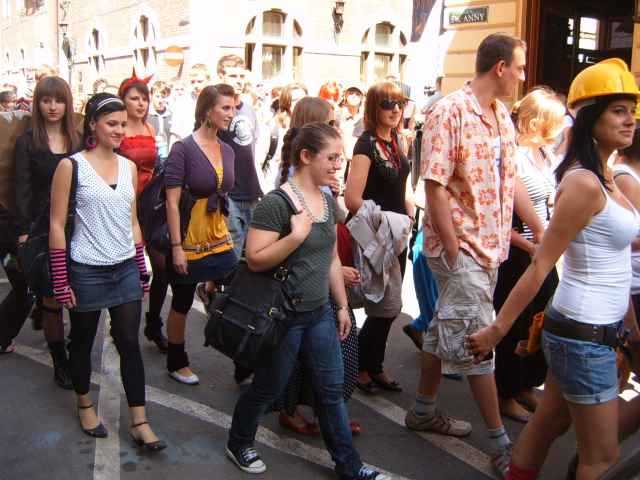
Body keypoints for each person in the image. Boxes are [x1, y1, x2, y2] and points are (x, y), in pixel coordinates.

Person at [467, 58, 640, 480]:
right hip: (583, 335)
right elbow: (542, 261)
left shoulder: (608, 178)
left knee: (548, 424)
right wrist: (497, 329)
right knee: (599, 459)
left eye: (632, 110)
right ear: (589, 118)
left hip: (590, 329)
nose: (630, 119)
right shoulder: (584, 184)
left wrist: (631, 328)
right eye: (618, 110)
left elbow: (615, 263)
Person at [226, 122, 389, 480]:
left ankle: (350, 466)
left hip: (319, 314)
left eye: (340, 159)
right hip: (283, 317)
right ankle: (239, 441)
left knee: (331, 392)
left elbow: (330, 258)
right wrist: (295, 236)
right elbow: (254, 258)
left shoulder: (327, 200)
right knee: (269, 387)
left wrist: (342, 305)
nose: (337, 166)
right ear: (305, 156)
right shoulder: (276, 203)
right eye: (331, 158)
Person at [412, 33, 527, 478]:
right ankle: (502, 444)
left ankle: (422, 410)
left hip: (490, 250)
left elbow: (511, 179)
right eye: (518, 67)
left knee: (446, 327)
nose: (522, 75)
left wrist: (539, 228)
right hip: (462, 250)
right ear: (499, 67)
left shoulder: (501, 115)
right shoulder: (450, 110)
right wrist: (456, 249)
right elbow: (434, 185)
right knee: (481, 343)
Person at [49, 93, 165, 450]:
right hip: (86, 269)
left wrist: (141, 267)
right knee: (82, 342)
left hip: (123, 269)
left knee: (129, 342)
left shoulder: (129, 167)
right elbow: (56, 224)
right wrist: (60, 278)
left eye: (122, 124)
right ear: (93, 126)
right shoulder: (72, 166)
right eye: (111, 124)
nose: (118, 130)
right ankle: (85, 404)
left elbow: (132, 223)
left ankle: (140, 421)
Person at [270, 97, 359, 436]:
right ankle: (287, 409)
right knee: (296, 360)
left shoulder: (320, 180)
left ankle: (329, 420)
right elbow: (293, 245)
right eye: (330, 122)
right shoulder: (295, 184)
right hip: (302, 289)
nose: (338, 163)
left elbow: (332, 231)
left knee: (327, 357)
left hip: (321, 285)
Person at [492, 87, 565, 424]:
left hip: (541, 250)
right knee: (515, 323)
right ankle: (504, 392)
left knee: (540, 319)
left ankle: (524, 384)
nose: (560, 126)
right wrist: (530, 246)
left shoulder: (544, 155)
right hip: (518, 253)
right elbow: (498, 215)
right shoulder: (512, 156)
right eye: (553, 119)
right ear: (536, 121)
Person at [8, 76, 80, 388]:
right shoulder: (27, 143)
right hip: (42, 228)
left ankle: (76, 347)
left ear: (67, 103)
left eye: (59, 100)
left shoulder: (79, 140)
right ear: (37, 104)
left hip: (79, 226)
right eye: (46, 100)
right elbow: (21, 190)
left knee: (80, 294)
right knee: (51, 298)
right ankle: (59, 361)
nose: (53, 107)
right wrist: (23, 235)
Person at [164, 85, 239, 385]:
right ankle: (176, 361)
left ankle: (243, 357)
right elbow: (171, 201)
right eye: (225, 108)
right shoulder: (183, 149)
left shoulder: (229, 149)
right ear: (208, 110)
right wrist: (176, 247)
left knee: (240, 289)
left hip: (219, 236)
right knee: (181, 301)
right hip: (189, 237)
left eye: (234, 108)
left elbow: (226, 193)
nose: (231, 114)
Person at [344, 80, 414, 395]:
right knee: (378, 302)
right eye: (388, 103)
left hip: (398, 234)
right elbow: (351, 198)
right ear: (374, 107)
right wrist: (388, 220)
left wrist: (410, 219)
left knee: (391, 305)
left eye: (400, 103)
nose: (396, 110)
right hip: (374, 233)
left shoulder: (400, 140)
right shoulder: (366, 144)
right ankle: (360, 365)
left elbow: (406, 187)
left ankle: (373, 364)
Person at [117, 73, 169, 354]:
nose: (140, 103)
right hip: (124, 205)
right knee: (127, 269)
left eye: (144, 99)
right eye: (134, 98)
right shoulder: (117, 128)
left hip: (152, 206)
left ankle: (153, 323)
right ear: (122, 100)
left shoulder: (151, 127)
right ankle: (122, 327)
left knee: (161, 267)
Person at [216, 56, 264, 262]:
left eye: (241, 75)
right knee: (232, 246)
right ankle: (220, 289)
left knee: (253, 248)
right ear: (221, 76)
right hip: (229, 192)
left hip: (252, 190)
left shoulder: (249, 109)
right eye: (232, 75)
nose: (238, 80)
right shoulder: (215, 110)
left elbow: (254, 149)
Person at [171, 64, 211, 140]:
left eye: (200, 81)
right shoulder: (181, 102)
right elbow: (175, 133)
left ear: (208, 81)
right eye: (193, 82)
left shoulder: (215, 100)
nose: (196, 85)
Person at [148, 80, 174, 166]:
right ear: (151, 96)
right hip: (151, 159)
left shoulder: (172, 115)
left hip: (169, 159)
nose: (160, 100)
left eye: (163, 97)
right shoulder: (146, 116)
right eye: (157, 96)